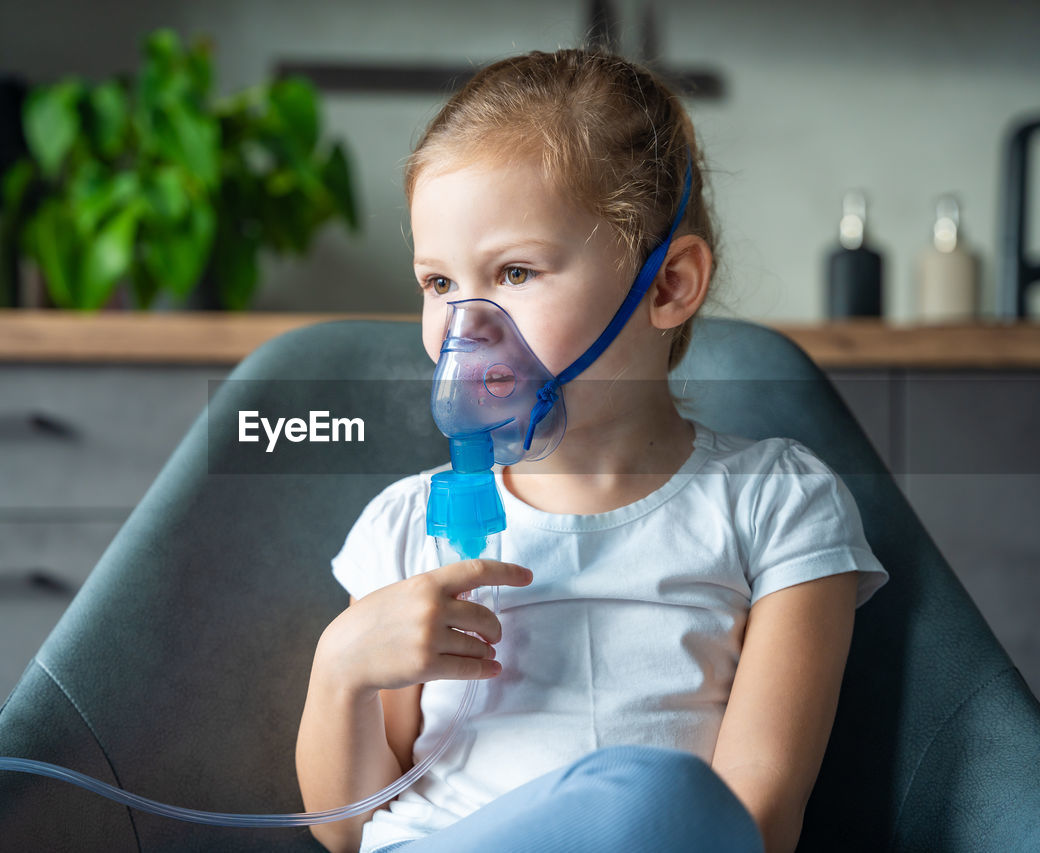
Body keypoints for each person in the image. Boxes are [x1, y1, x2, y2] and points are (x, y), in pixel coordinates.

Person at [295, 49, 888, 853]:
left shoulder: (774, 504)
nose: (465, 327)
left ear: (667, 285)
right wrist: (342, 668)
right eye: (437, 283)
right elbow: (345, 830)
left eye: (514, 271)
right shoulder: (408, 526)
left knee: (664, 796)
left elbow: (755, 825)